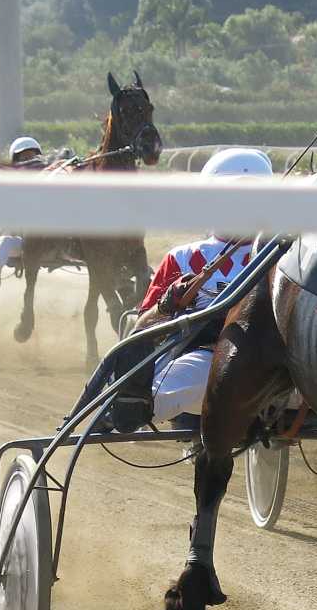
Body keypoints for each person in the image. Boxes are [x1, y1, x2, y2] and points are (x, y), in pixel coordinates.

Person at [106, 146, 274, 430]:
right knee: (168, 388)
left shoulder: (282, 254)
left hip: (274, 365)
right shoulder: (183, 258)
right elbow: (142, 327)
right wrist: (166, 306)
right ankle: (128, 410)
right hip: (204, 361)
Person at [0, 136, 62, 287]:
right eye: (25, 157)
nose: (30, 160)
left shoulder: (51, 179)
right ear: (16, 161)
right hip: (24, 245)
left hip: (56, 245)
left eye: (33, 156)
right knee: (5, 241)